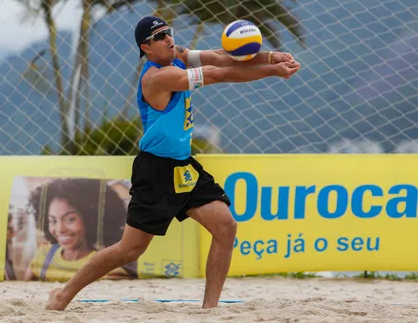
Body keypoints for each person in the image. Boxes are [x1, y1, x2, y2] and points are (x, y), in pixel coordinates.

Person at [45, 16, 301, 311]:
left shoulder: (178, 57)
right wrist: (272, 70)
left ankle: (210, 309)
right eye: (160, 36)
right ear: (146, 47)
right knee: (129, 250)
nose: (169, 39)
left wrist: (270, 55)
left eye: (168, 32)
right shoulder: (155, 78)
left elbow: (220, 55)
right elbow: (219, 73)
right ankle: (63, 295)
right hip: (156, 171)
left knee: (226, 227)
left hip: (183, 166)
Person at [24, 178, 137, 282]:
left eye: (70, 219)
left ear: (91, 220)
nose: (60, 229)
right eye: (53, 221)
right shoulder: (43, 255)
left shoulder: (106, 265)